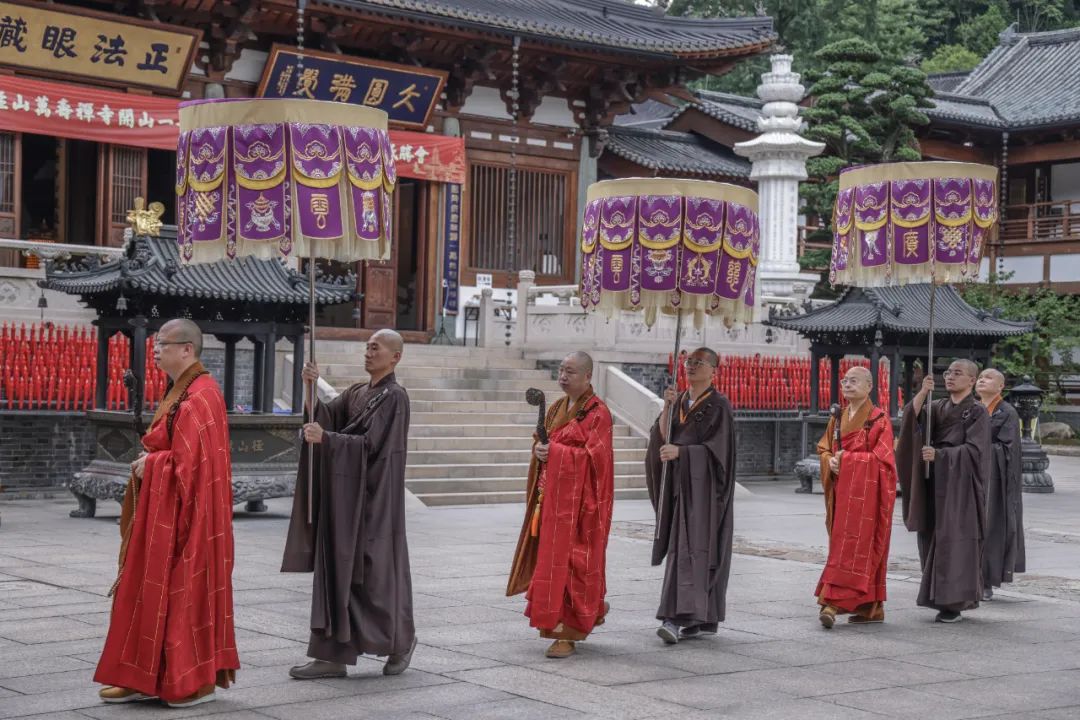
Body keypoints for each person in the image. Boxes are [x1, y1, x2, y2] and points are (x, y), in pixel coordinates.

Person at [95, 319, 238, 708]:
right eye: (156, 343)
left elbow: (192, 467)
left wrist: (153, 464)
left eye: (163, 343)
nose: (156, 350)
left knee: (181, 593)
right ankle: (139, 675)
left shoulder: (201, 397)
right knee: (140, 588)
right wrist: (158, 462)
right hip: (163, 512)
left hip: (188, 520)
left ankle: (193, 681)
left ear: (187, 349)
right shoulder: (185, 389)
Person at [283, 329, 416, 678]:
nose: (368, 353)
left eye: (376, 348)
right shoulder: (359, 392)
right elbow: (328, 418)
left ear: (395, 357)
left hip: (373, 501)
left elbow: (372, 447)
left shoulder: (394, 398)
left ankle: (400, 641)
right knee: (335, 571)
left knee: (371, 576)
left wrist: (326, 439)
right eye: (367, 347)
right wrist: (311, 386)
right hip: (345, 498)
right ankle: (331, 655)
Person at [506, 351, 614, 659]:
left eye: (571, 372)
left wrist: (554, 454)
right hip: (552, 502)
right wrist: (540, 450)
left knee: (575, 565)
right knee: (552, 563)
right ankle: (588, 610)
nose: (563, 377)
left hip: (583, 507)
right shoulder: (555, 408)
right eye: (561, 371)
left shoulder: (598, 413)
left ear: (587, 377)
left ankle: (566, 633)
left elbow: (598, 461)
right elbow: (544, 441)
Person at [646, 347, 735, 644]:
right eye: (689, 361)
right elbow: (660, 436)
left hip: (704, 492)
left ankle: (674, 617)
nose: (692, 366)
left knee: (692, 549)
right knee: (682, 547)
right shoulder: (680, 400)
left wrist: (683, 453)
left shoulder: (719, 405)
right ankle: (699, 617)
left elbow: (719, 452)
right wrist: (666, 407)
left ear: (714, 371)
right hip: (678, 486)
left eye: (700, 362)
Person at [898, 359, 991, 623]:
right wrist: (923, 392)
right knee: (932, 537)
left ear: (972, 380)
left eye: (957, 373)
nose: (950, 377)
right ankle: (937, 597)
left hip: (960, 490)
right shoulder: (937, 406)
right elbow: (911, 419)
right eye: (947, 372)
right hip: (935, 484)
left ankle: (955, 602)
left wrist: (941, 455)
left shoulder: (977, 412)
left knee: (955, 542)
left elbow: (976, 453)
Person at [814, 366, 897, 628]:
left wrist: (847, 460)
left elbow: (885, 463)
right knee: (842, 542)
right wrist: (831, 462)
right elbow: (824, 448)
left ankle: (833, 601)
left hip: (867, 497)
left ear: (870, 386)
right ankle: (869, 607)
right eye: (844, 380)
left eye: (854, 381)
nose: (847, 384)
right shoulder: (837, 418)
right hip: (842, 491)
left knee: (860, 544)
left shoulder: (878, 419)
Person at [975, 368, 1025, 600]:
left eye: (988, 378)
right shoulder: (972, 408)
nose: (982, 380)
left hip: (995, 479)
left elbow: (1007, 449)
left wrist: (975, 448)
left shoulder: (1007, 412)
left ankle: (987, 580)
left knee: (991, 525)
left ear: (1000, 386)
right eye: (980, 377)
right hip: (971, 474)